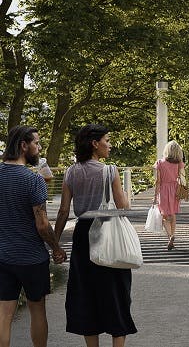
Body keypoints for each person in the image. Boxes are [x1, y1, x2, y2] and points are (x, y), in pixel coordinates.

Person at [54, 123, 137, 344]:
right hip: (108, 231)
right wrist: (128, 194)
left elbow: (63, 211)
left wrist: (55, 244)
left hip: (83, 235)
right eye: (107, 141)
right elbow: (123, 207)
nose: (109, 145)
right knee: (116, 294)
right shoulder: (110, 171)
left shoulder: (71, 171)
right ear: (94, 144)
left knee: (85, 294)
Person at [1, 126, 67, 347]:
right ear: (23, 145)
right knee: (37, 310)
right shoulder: (33, 180)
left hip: (2, 256)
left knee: (4, 315)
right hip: (31, 258)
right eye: (36, 143)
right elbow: (42, 225)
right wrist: (56, 248)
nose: (39, 148)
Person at [154, 140, 186, 251]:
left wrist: (154, 197)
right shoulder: (179, 163)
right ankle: (172, 236)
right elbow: (183, 178)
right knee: (172, 214)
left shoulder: (160, 163)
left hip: (163, 189)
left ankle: (170, 237)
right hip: (175, 189)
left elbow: (158, 181)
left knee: (164, 216)